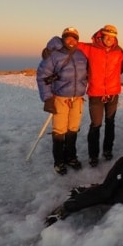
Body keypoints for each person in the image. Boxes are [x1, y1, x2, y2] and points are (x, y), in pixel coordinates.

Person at [43, 25, 123, 167]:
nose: (109, 39)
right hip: (95, 93)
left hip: (113, 93)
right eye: (106, 35)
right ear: (101, 35)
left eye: (112, 37)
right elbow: (67, 42)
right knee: (96, 125)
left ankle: (107, 150)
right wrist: (52, 46)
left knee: (110, 123)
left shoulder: (119, 52)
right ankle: (93, 156)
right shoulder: (89, 48)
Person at [36, 27, 88, 175]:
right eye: (68, 37)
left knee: (72, 129)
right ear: (63, 39)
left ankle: (71, 157)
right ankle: (59, 162)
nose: (71, 40)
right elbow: (42, 76)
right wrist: (48, 99)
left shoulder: (81, 55)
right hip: (60, 99)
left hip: (77, 99)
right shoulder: (54, 56)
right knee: (59, 131)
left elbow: (87, 72)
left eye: (74, 38)